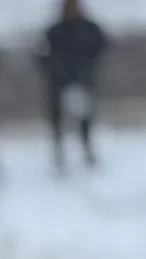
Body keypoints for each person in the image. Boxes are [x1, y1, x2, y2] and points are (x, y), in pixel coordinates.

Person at [38, 0, 108, 172]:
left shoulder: (89, 29)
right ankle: (59, 155)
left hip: (82, 81)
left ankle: (87, 152)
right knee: (58, 121)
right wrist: (53, 68)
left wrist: (89, 65)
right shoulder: (54, 31)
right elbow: (41, 53)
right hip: (59, 83)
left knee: (84, 120)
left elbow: (102, 46)